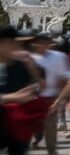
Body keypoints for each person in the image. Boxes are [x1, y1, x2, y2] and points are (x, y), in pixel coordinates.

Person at [1, 26, 40, 155]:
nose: (15, 45)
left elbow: (34, 89)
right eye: (12, 42)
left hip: (17, 129)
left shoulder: (20, 66)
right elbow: (17, 96)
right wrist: (12, 98)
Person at [29, 33, 70, 155]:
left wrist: (61, 98)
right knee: (35, 126)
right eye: (39, 42)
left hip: (51, 98)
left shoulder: (59, 57)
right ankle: (37, 137)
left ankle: (52, 151)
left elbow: (64, 78)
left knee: (51, 129)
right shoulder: (29, 58)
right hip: (33, 98)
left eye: (45, 42)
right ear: (34, 44)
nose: (42, 45)